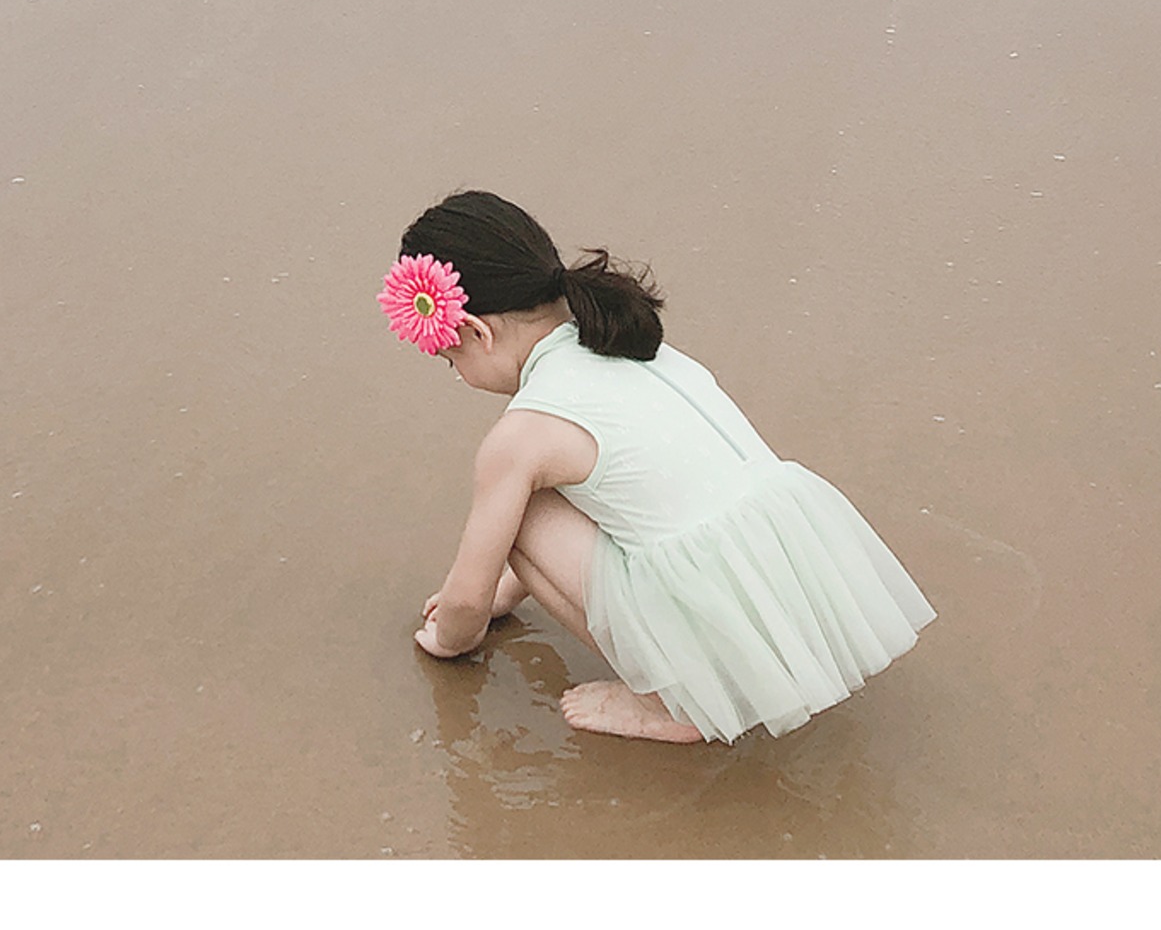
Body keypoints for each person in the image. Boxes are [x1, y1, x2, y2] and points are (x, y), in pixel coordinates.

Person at [378, 189, 936, 744]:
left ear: (478, 332)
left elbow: (465, 602)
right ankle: (714, 667)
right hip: (803, 601)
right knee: (575, 485)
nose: (458, 373)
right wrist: (509, 590)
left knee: (521, 509)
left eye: (450, 359)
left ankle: (671, 700)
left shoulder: (523, 435)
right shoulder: (631, 344)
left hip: (719, 630)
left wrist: (447, 639)